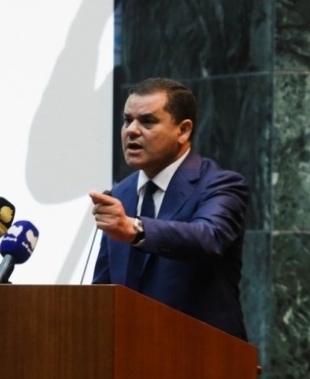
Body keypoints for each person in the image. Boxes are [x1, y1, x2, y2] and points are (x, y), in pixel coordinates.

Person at [89, 77, 249, 340]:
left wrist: (136, 229)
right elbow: (104, 288)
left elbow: (208, 237)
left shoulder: (221, 184)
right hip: (131, 352)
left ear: (183, 131)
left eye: (147, 121)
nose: (131, 131)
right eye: (127, 120)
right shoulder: (120, 194)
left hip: (204, 353)